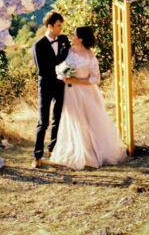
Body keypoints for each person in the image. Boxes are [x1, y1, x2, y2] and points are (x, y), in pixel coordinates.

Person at [50, 25, 127, 169]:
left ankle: (92, 154)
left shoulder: (90, 57)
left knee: (89, 122)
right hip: (71, 93)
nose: (71, 37)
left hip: (86, 93)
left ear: (80, 39)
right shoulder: (69, 51)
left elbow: (95, 79)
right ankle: (80, 151)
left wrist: (74, 80)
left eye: (74, 35)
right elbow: (62, 67)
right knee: (75, 122)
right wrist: (63, 74)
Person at [31, 10, 70, 168]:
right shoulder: (38, 45)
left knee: (57, 119)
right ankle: (37, 155)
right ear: (50, 26)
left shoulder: (63, 39)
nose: (61, 28)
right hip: (46, 86)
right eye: (58, 25)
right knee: (43, 122)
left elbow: (69, 57)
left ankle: (53, 150)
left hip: (60, 85)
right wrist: (60, 65)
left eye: (61, 25)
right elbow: (43, 69)